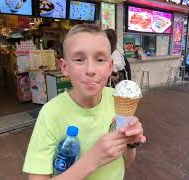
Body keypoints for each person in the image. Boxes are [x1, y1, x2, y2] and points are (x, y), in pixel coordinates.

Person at [23, 24, 146, 180]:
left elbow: (125, 163)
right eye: (80, 59)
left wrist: (130, 143)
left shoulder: (117, 99)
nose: (90, 70)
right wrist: (92, 160)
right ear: (65, 67)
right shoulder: (50, 113)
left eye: (100, 59)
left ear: (110, 67)